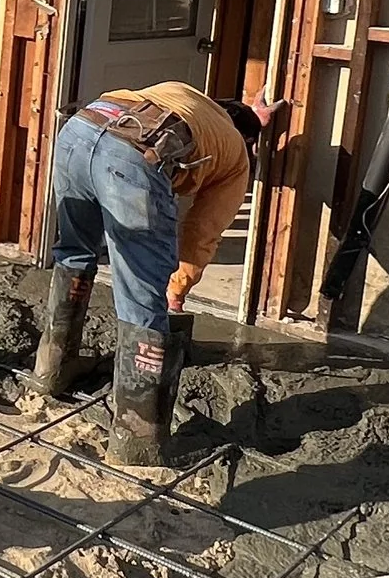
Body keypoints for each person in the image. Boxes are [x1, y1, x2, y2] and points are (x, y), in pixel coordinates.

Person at [31, 82, 283, 465]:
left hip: (81, 129)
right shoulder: (236, 158)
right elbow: (202, 232)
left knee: (75, 251)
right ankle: (136, 439)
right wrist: (177, 290)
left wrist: (255, 118)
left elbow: (227, 118)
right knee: (142, 291)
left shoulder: (186, 96)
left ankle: (52, 370)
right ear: (250, 140)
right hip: (133, 155)